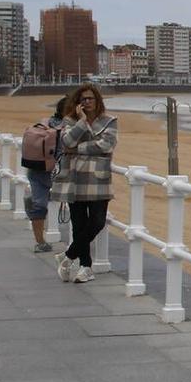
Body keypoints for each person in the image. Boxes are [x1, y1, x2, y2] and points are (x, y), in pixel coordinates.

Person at [55, 83, 118, 283]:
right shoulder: (70, 120)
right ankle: (85, 267)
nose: (88, 102)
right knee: (78, 223)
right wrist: (82, 121)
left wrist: (79, 149)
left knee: (97, 221)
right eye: (83, 99)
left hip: (99, 178)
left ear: (98, 101)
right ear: (77, 103)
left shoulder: (110, 121)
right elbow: (66, 142)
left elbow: (107, 144)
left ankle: (68, 255)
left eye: (91, 98)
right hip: (75, 177)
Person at [20, 95, 70, 253]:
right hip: (59, 172)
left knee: (39, 205)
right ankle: (77, 244)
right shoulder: (71, 127)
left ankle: (40, 243)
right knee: (78, 205)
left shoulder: (45, 121)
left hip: (37, 168)